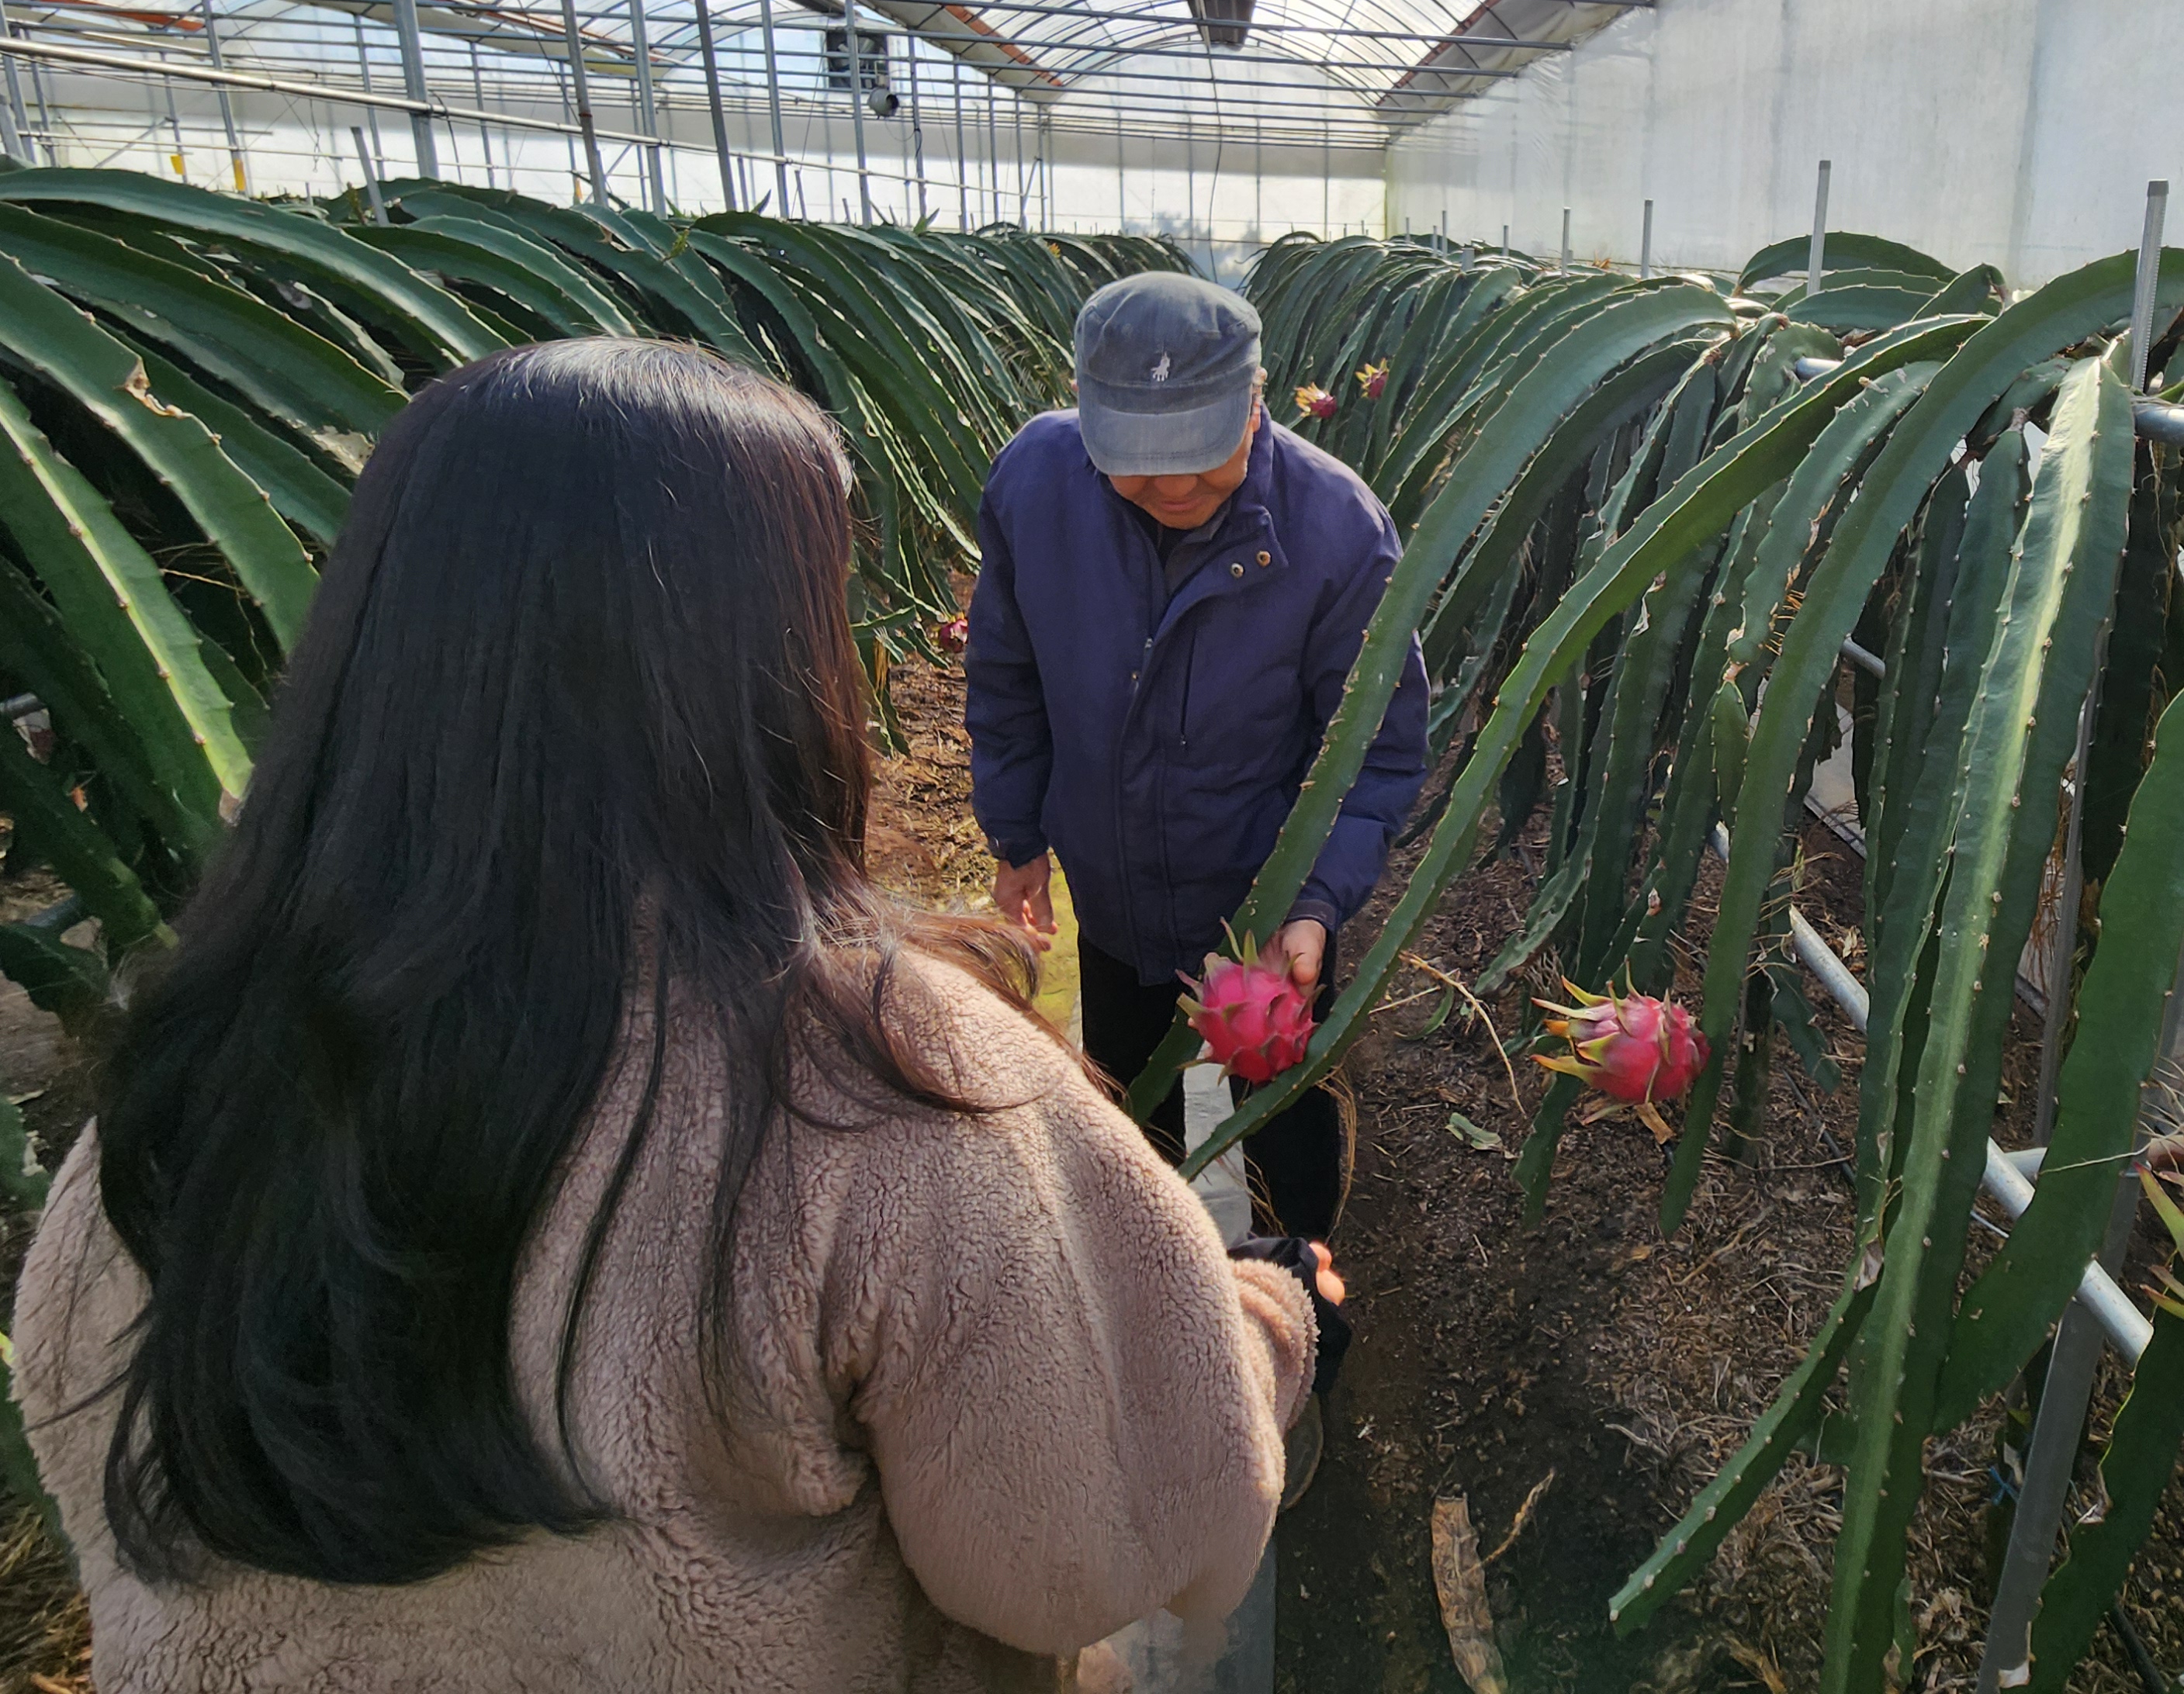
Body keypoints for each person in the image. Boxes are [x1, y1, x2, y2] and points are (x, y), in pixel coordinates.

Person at [13, 338, 1338, 1692]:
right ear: (761, 658)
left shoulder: (181, 1084)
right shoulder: (885, 1089)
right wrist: (1260, 1327)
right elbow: (1095, 1553)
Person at [965, 270, 1429, 1246]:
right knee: (1136, 1130)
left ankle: (1307, 1307)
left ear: (1257, 401)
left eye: (1201, 451)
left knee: (1290, 1143)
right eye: (1137, 457)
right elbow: (1007, 676)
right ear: (1085, 414)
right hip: (1116, 906)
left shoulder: (1339, 534)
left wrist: (1309, 907)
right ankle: (1160, 1291)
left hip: (1267, 928)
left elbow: (1376, 757)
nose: (1173, 485)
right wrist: (1016, 837)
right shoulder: (1032, 488)